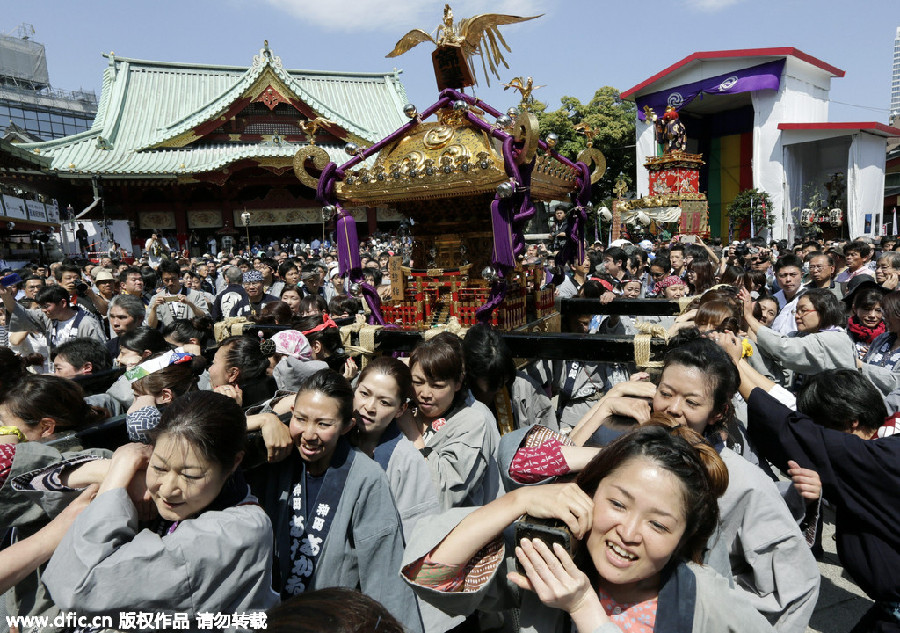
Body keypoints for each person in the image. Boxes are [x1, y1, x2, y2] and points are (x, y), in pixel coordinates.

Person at [402, 422, 777, 633]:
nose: (627, 533)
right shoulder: (554, 566)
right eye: (616, 504)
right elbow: (434, 574)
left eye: (658, 525)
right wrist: (514, 502)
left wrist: (583, 606)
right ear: (590, 492)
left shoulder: (703, 598)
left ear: (684, 538)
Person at [568, 335, 820, 632]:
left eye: (691, 401)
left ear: (718, 412)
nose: (674, 408)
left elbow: (797, 581)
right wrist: (608, 403)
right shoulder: (630, 447)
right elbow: (529, 459)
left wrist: (716, 607)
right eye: (666, 392)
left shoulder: (741, 480)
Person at [25, 391, 280, 620]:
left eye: (190, 475)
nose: (168, 489)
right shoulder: (186, 492)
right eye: (159, 467)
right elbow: (35, 484)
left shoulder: (236, 531)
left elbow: (79, 590)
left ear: (234, 463)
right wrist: (119, 467)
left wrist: (116, 482)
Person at [716, 343, 900, 633]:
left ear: (851, 422)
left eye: (820, 428)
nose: (816, 437)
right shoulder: (879, 442)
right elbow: (788, 411)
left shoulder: (877, 459)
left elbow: (793, 430)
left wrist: (734, 364)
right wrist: (736, 363)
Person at [247, 370, 423, 633]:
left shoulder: (366, 478)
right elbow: (201, 438)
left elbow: (383, 573)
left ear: (347, 426)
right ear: (291, 412)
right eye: (301, 419)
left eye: (323, 424)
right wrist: (262, 419)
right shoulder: (276, 458)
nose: (308, 433)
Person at [400, 333, 501, 510]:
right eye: (417, 382)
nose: (425, 393)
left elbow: (442, 495)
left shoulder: (473, 421)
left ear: (458, 383)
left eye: (437, 386)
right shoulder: (404, 408)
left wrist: (414, 437)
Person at [350, 356, 439, 537]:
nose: (369, 407)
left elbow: (415, 532)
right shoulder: (333, 435)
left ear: (400, 409)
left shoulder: (406, 460)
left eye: (384, 402)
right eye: (364, 394)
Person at [463, 323, 556, 432]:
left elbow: (550, 437)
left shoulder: (523, 387)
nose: (498, 386)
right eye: (490, 380)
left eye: (501, 379)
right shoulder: (457, 396)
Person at [2, 285, 107, 355]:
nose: (43, 310)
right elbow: (19, 312)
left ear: (63, 303)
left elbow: (100, 354)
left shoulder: (87, 323)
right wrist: (5, 295)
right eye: (41, 307)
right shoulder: (47, 319)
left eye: (46, 306)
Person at [209, 335, 277, 409]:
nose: (209, 369)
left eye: (214, 362)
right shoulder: (274, 398)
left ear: (233, 374)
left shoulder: (220, 410)